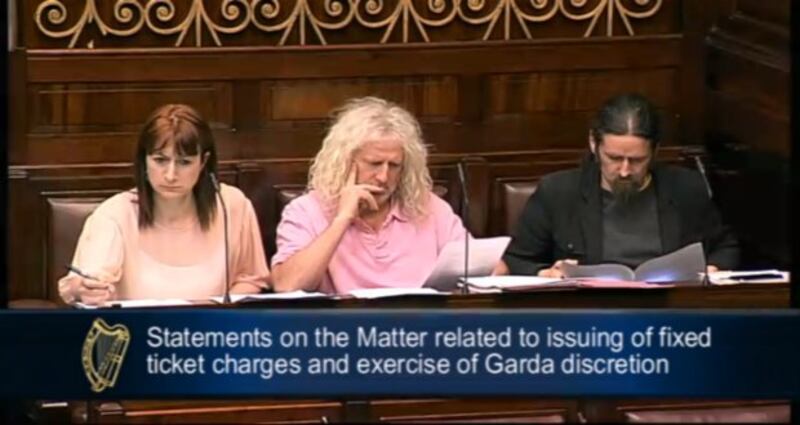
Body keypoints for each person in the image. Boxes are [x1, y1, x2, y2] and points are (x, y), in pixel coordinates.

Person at [500, 93, 740, 278]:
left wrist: (712, 269)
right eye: (614, 158)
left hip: (668, 310)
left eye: (637, 160)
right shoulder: (558, 191)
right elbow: (516, 260)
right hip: (590, 312)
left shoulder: (685, 188)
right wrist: (546, 273)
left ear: (655, 151)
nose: (625, 171)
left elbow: (725, 247)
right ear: (594, 144)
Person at [58, 104, 270, 305]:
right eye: (160, 160)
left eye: (184, 162)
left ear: (203, 162)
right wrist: (86, 290)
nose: (170, 175)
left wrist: (210, 316)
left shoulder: (232, 205)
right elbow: (86, 281)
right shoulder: (114, 215)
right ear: (144, 159)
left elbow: (251, 279)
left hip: (214, 329)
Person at [271, 97, 468, 294]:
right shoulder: (306, 211)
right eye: (374, 163)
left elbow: (480, 271)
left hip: (422, 314)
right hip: (345, 314)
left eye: (394, 165)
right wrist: (342, 219)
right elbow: (287, 285)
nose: (383, 177)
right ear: (345, 162)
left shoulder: (429, 207)